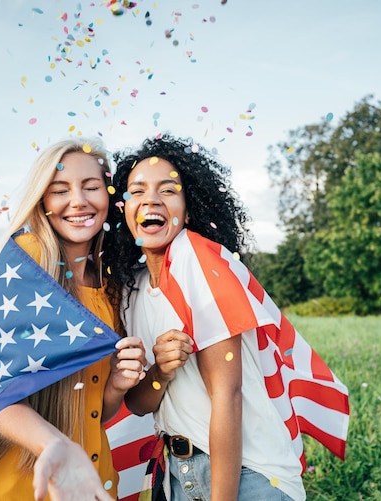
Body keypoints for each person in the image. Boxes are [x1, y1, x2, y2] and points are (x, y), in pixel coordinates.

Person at [103, 134, 350, 501]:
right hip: (178, 474)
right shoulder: (132, 291)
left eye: (168, 190)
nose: (150, 199)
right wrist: (162, 372)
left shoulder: (201, 263)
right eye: (136, 191)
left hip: (246, 476)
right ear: (122, 209)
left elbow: (228, 395)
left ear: (187, 210)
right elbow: (140, 404)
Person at [0, 138, 147, 501]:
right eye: (60, 190)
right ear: (42, 201)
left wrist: (117, 386)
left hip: (88, 482)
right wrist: (57, 447)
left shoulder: (110, 283)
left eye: (91, 187)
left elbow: (97, 412)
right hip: (15, 485)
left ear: (109, 195)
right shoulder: (26, 261)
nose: (78, 200)